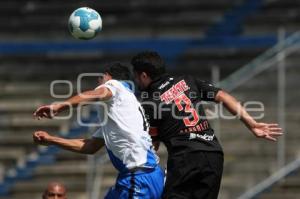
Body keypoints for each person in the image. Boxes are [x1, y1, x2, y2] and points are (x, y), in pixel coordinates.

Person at [131, 51, 283, 199]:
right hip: (213, 154)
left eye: (136, 76)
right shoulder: (187, 81)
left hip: (185, 159)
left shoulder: (148, 104)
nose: (136, 81)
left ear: (144, 75)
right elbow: (222, 96)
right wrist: (251, 123)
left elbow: (153, 144)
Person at [33, 62, 164, 199]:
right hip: (146, 175)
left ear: (108, 76)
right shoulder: (121, 116)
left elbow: (96, 94)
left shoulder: (115, 86)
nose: (98, 81)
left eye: (100, 78)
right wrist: (52, 140)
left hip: (139, 177)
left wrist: (59, 106)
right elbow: (90, 146)